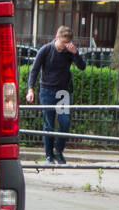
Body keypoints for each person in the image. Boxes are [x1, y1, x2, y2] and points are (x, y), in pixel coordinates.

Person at [25, 25, 86, 166]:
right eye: (63, 42)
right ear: (56, 37)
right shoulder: (46, 50)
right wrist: (30, 89)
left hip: (63, 92)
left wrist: (75, 53)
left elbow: (82, 67)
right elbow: (34, 70)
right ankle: (48, 155)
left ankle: (58, 151)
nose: (65, 46)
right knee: (49, 124)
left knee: (65, 122)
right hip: (47, 90)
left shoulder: (70, 51)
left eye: (67, 42)